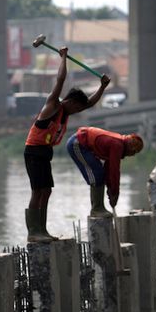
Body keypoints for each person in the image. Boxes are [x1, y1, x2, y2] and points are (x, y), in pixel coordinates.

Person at [23, 47, 111, 242]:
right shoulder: (53, 105)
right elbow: (60, 80)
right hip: (34, 151)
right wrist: (63, 57)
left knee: (47, 190)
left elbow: (89, 103)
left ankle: (42, 230)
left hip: (45, 153)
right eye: (77, 106)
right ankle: (33, 232)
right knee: (37, 190)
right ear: (69, 101)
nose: (79, 110)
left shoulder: (66, 112)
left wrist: (103, 87)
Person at [66, 127, 144, 217]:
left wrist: (111, 191)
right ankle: (96, 208)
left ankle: (98, 208)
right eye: (134, 152)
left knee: (100, 173)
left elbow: (108, 170)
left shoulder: (119, 143)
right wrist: (115, 193)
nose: (132, 155)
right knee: (97, 174)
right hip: (77, 143)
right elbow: (114, 171)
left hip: (80, 143)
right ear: (131, 147)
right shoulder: (117, 145)